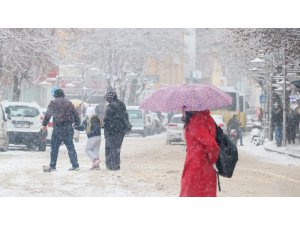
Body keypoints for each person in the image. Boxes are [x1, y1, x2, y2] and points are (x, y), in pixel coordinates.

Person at [179, 110, 220, 197]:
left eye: (184, 106)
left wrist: (211, 159)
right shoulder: (206, 118)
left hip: (198, 169)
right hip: (203, 168)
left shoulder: (196, 121)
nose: (181, 109)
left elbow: (211, 145)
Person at [42, 88, 81, 172]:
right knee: (70, 146)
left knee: (54, 148)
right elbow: (75, 114)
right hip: (68, 127)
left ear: (55, 95)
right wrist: (77, 123)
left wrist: (44, 124)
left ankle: (53, 166)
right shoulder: (69, 103)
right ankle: (75, 165)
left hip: (58, 128)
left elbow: (48, 115)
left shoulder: (53, 103)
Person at [103, 90, 131, 170]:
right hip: (121, 130)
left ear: (110, 98)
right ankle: (116, 164)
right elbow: (125, 116)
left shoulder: (111, 106)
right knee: (117, 148)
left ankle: (110, 165)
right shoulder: (122, 104)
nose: (107, 100)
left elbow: (107, 119)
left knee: (110, 148)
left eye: (107, 99)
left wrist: (104, 124)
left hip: (112, 131)